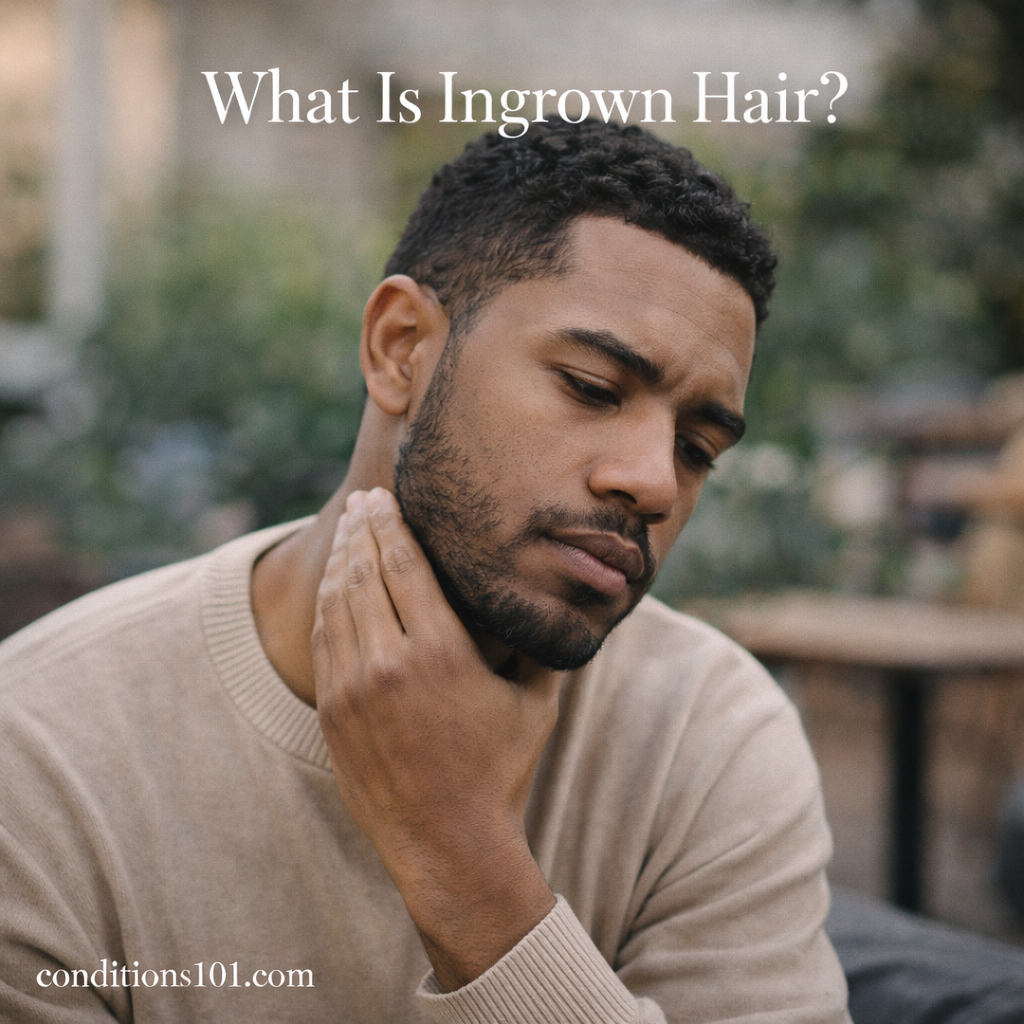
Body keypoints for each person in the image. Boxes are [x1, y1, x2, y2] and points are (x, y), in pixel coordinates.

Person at [0, 121, 850, 1022]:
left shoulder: (706, 739)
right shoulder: (43, 762)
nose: (651, 481)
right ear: (401, 347)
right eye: (592, 387)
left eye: (697, 446)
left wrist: (463, 858)